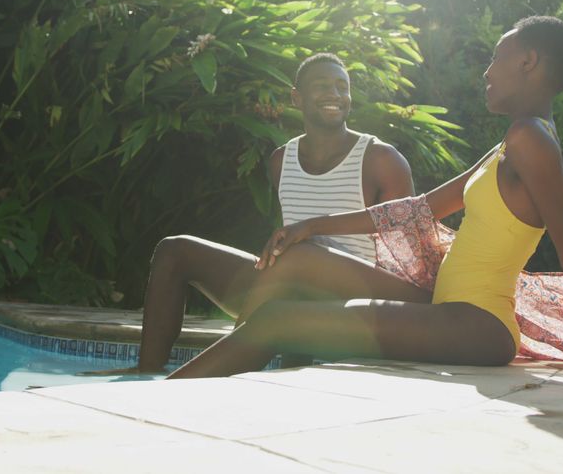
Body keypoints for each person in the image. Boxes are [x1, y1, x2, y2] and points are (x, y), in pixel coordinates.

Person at [167, 16, 563, 379]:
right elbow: (417, 211)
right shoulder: (515, 140)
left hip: (477, 325)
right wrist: (314, 226)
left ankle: (157, 403)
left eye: (496, 57)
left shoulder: (533, 142)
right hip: (451, 316)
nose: (487, 70)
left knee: (276, 320)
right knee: (279, 318)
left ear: (529, 62)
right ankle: (173, 403)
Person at [88, 53, 425, 375]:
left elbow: (407, 263)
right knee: (174, 249)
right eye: (322, 86)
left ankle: (217, 371)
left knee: (301, 254)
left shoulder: (381, 160)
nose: (334, 94)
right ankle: (145, 373)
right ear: (297, 97)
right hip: (291, 283)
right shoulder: (282, 160)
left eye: (342, 87)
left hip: (355, 300)